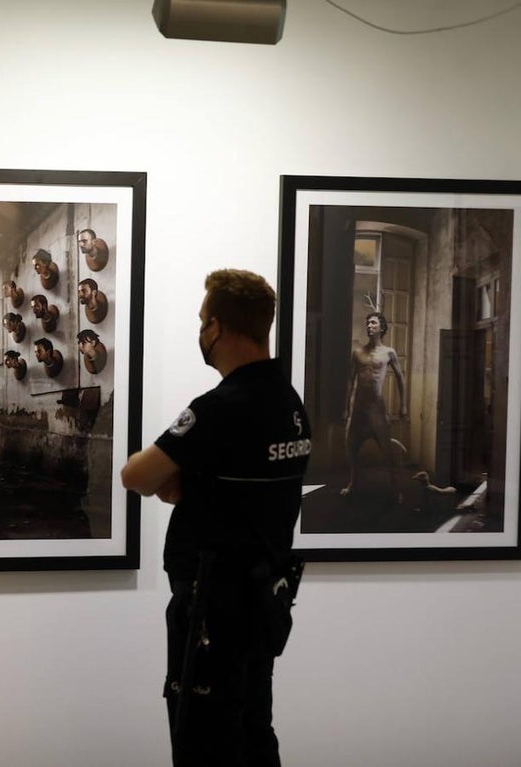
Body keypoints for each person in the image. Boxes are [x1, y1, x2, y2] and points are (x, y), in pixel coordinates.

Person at [120, 269, 311, 767]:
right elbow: (243, 489)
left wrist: (183, 480)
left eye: (202, 320)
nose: (200, 330)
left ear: (217, 328)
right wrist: (197, 483)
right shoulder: (289, 404)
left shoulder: (220, 408)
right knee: (254, 732)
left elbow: (136, 476)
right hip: (263, 605)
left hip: (214, 609)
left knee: (203, 743)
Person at [341, 311, 407, 500]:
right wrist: (346, 408)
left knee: (387, 451)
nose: (369, 326)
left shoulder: (389, 352)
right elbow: (350, 381)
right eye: (368, 323)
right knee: (351, 447)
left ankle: (396, 489)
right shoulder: (357, 353)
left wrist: (403, 406)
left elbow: (400, 378)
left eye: (373, 323)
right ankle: (353, 483)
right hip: (358, 409)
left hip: (377, 409)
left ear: (382, 327)